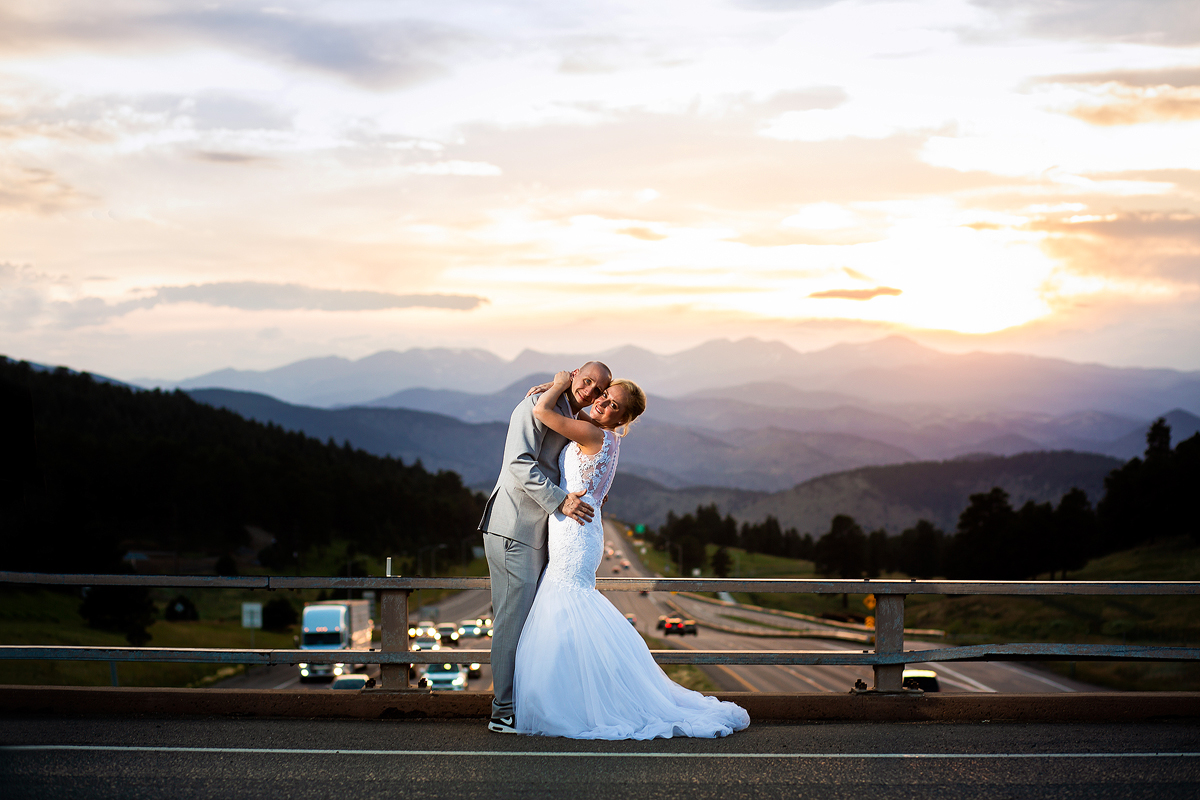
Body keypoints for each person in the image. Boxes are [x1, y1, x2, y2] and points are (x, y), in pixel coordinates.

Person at [512, 371, 750, 739]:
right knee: (567, 610)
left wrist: (557, 383)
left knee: (565, 609)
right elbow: (577, 419)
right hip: (579, 524)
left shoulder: (592, 433)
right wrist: (561, 391)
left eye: (613, 405)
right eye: (603, 395)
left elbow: (542, 413)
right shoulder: (604, 435)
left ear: (623, 419)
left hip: (574, 531)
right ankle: (579, 696)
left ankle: (576, 703)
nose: (602, 403)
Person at [478, 361, 612, 734]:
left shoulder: (565, 411)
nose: (591, 390)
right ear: (574, 373)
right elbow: (518, 463)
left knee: (530, 622)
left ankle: (526, 701)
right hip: (513, 528)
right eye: (587, 380)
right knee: (512, 622)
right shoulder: (532, 406)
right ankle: (504, 711)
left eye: (599, 388)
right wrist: (561, 501)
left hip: (537, 532)